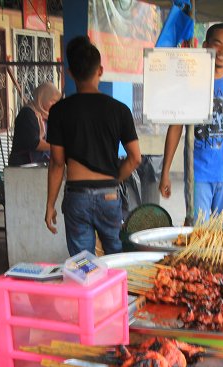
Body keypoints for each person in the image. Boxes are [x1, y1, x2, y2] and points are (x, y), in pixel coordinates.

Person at [44, 36, 141, 255]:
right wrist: (115, 179)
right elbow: (135, 158)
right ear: (100, 70)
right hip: (109, 195)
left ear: (70, 73)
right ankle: (116, 291)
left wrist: (50, 204)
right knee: (116, 260)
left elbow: (57, 163)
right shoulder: (119, 110)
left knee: (83, 263)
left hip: (77, 196)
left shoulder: (59, 111)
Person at [158, 22, 223, 224]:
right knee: (199, 238)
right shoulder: (190, 82)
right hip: (199, 176)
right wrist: (165, 172)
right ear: (206, 45)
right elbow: (175, 127)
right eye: (218, 44)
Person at [8, 82, 62, 166]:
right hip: (23, 166)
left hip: (39, 165)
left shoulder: (46, 116)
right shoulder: (27, 114)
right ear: (42, 98)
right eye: (52, 101)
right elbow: (34, 144)